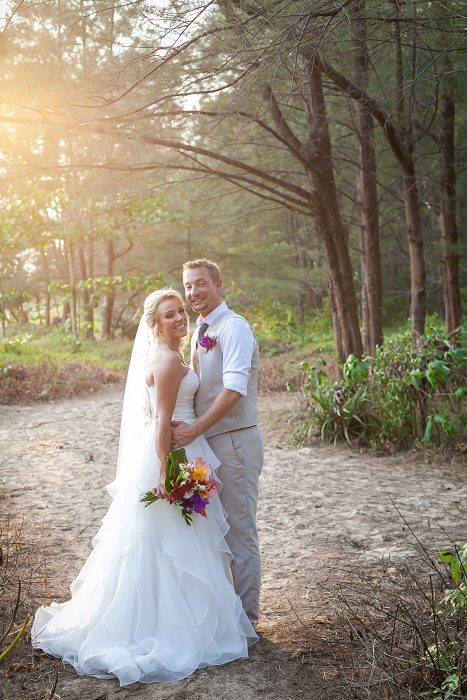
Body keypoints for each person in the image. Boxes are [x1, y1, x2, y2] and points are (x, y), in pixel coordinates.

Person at [31, 288, 257, 687]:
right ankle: (167, 627)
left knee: (183, 543)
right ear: (154, 324)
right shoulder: (166, 359)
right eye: (169, 314)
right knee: (165, 544)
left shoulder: (174, 354)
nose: (178, 319)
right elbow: (162, 419)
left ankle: (191, 619)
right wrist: (167, 470)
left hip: (185, 449)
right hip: (171, 453)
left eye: (181, 312)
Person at [172, 260, 263, 625]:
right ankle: (229, 615)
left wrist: (194, 431)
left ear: (219, 285)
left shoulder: (234, 328)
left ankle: (247, 621)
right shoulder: (200, 330)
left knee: (240, 531)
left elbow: (234, 390)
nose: (194, 292)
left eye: (200, 284)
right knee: (217, 531)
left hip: (236, 443)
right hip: (209, 445)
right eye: (188, 286)